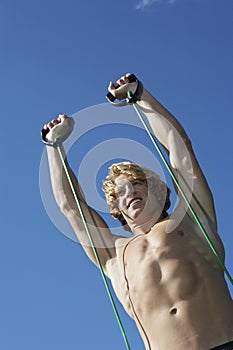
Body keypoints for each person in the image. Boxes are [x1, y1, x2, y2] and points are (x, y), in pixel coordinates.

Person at [42, 73, 233, 350]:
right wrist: (53, 146)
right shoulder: (113, 256)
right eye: (120, 192)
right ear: (116, 207)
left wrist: (140, 95)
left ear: (155, 190)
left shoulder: (193, 221)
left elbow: (181, 150)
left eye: (135, 183)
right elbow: (70, 207)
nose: (129, 192)